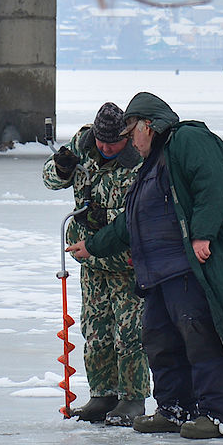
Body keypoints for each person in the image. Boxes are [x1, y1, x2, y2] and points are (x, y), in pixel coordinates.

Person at [68, 93, 223, 440]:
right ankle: (174, 409)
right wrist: (92, 246)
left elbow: (213, 186)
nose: (129, 142)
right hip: (157, 275)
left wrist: (203, 235)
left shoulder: (189, 139)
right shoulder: (152, 164)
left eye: (131, 133)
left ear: (147, 126)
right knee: (160, 341)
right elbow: (131, 223)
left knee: (201, 340)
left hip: (188, 270)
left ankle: (218, 415)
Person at [43, 102, 152, 425]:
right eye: (102, 142)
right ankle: (102, 395)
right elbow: (50, 180)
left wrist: (104, 225)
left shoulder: (139, 160)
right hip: (88, 262)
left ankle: (132, 399)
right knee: (95, 329)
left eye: (113, 143)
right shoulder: (83, 146)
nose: (106, 148)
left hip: (125, 263)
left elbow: (141, 215)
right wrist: (62, 167)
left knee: (130, 333)